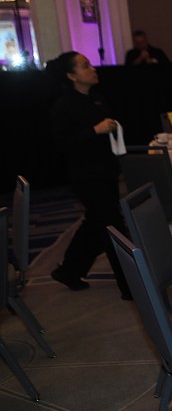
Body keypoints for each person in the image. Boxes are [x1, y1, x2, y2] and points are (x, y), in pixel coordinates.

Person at [47, 52, 130, 299]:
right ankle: (130, 286)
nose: (92, 69)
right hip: (86, 176)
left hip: (105, 171)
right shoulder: (63, 106)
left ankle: (69, 271)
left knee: (96, 224)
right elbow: (62, 144)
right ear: (71, 75)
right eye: (85, 66)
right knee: (112, 228)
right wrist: (96, 130)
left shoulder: (96, 99)